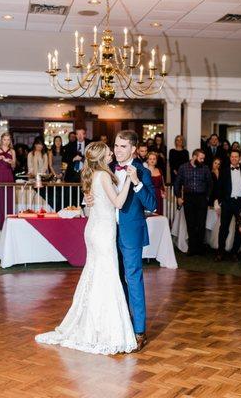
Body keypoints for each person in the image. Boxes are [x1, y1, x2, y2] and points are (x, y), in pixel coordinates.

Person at [35, 141, 139, 355]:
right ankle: (102, 330)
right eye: (109, 151)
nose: (112, 152)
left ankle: (93, 323)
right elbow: (118, 203)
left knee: (96, 275)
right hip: (102, 232)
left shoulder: (93, 175)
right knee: (107, 276)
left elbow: (91, 202)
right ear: (102, 156)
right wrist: (129, 179)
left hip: (94, 230)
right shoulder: (102, 175)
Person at [85, 130, 157, 351]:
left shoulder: (142, 171)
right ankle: (121, 324)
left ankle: (138, 331)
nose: (117, 150)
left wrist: (136, 182)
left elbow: (152, 204)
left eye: (123, 146)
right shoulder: (106, 169)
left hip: (130, 234)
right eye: (115, 145)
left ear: (134, 149)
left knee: (132, 278)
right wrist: (87, 201)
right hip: (107, 233)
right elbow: (98, 196)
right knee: (115, 279)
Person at [174, 149, 212, 256]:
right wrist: (178, 196)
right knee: (190, 224)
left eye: (203, 158)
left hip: (201, 198)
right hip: (188, 198)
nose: (202, 160)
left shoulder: (205, 168)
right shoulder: (183, 167)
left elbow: (210, 184)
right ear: (194, 157)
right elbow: (177, 183)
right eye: (201, 158)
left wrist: (207, 197)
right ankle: (192, 248)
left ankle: (200, 249)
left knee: (201, 224)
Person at [215, 150, 241, 262]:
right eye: (232, 157)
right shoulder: (224, 171)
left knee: (239, 229)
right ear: (230, 158)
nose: (234, 159)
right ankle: (220, 252)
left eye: (236, 157)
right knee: (223, 229)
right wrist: (221, 201)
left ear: (239, 158)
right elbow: (219, 187)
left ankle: (234, 253)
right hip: (227, 203)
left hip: (240, 204)